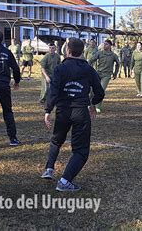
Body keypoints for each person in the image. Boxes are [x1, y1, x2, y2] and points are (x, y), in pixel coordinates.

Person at [41, 37, 105, 192]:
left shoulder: (60, 68)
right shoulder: (88, 68)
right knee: (81, 151)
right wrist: (92, 103)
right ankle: (63, 180)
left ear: (67, 50)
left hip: (63, 111)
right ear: (82, 51)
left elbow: (53, 91)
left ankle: (50, 169)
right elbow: (99, 92)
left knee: (56, 140)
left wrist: (48, 111)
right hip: (80, 112)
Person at [88, 39, 119, 114]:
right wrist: (89, 70)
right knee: (92, 90)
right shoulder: (99, 53)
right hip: (98, 73)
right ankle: (89, 104)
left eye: (106, 44)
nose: (104, 45)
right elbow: (91, 60)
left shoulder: (113, 55)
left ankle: (98, 107)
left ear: (110, 46)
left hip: (107, 75)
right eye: (104, 44)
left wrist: (115, 73)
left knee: (101, 90)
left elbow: (118, 64)